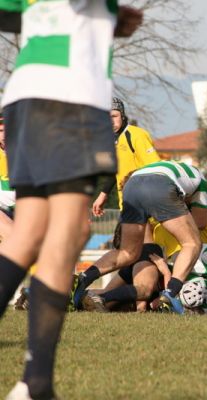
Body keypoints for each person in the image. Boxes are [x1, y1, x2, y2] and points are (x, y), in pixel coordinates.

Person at [0, 2, 142, 399]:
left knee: (28, 233)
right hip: (70, 94)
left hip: (26, 94)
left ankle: (35, 385)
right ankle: (38, 383)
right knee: (68, 229)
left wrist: (107, 19)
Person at [72, 160, 207, 315]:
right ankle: (171, 293)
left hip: (132, 185)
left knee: (128, 252)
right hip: (160, 185)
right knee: (191, 243)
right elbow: (200, 223)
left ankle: (84, 278)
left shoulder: (171, 168)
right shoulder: (201, 180)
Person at [92, 97, 161, 216]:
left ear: (122, 116)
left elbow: (156, 168)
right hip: (127, 204)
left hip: (145, 203)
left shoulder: (136, 135)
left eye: (114, 116)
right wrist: (103, 195)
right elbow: (115, 172)